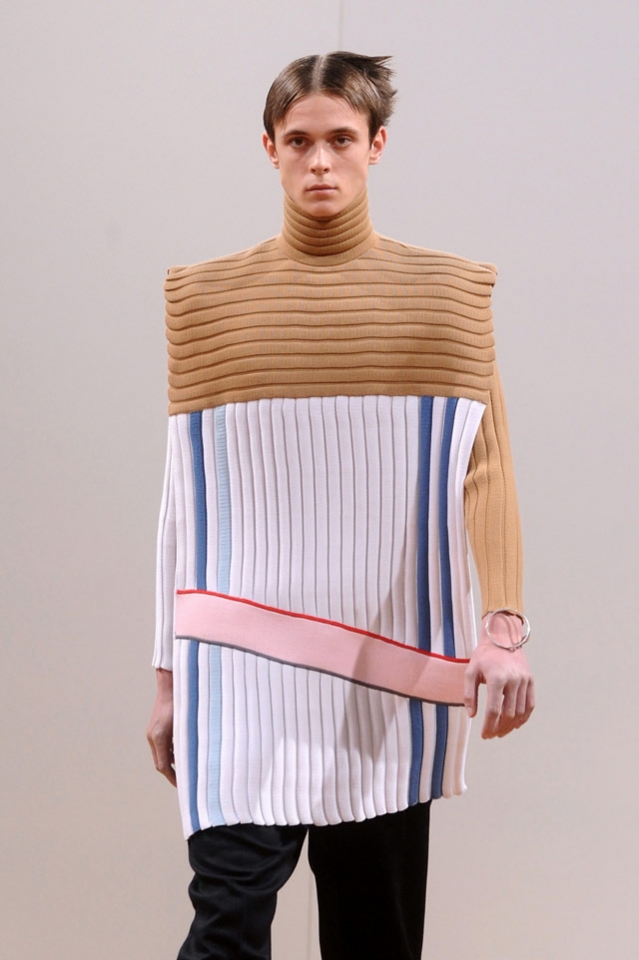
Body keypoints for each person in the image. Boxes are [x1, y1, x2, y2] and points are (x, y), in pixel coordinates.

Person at [146, 51, 534, 960]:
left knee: (373, 938)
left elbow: (486, 468)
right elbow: (184, 497)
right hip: (237, 665)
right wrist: (166, 677)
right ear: (269, 149)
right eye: (299, 141)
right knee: (226, 925)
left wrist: (503, 627)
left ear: (376, 144)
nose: (320, 161)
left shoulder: (447, 294)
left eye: (341, 140)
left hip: (386, 660)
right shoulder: (204, 299)